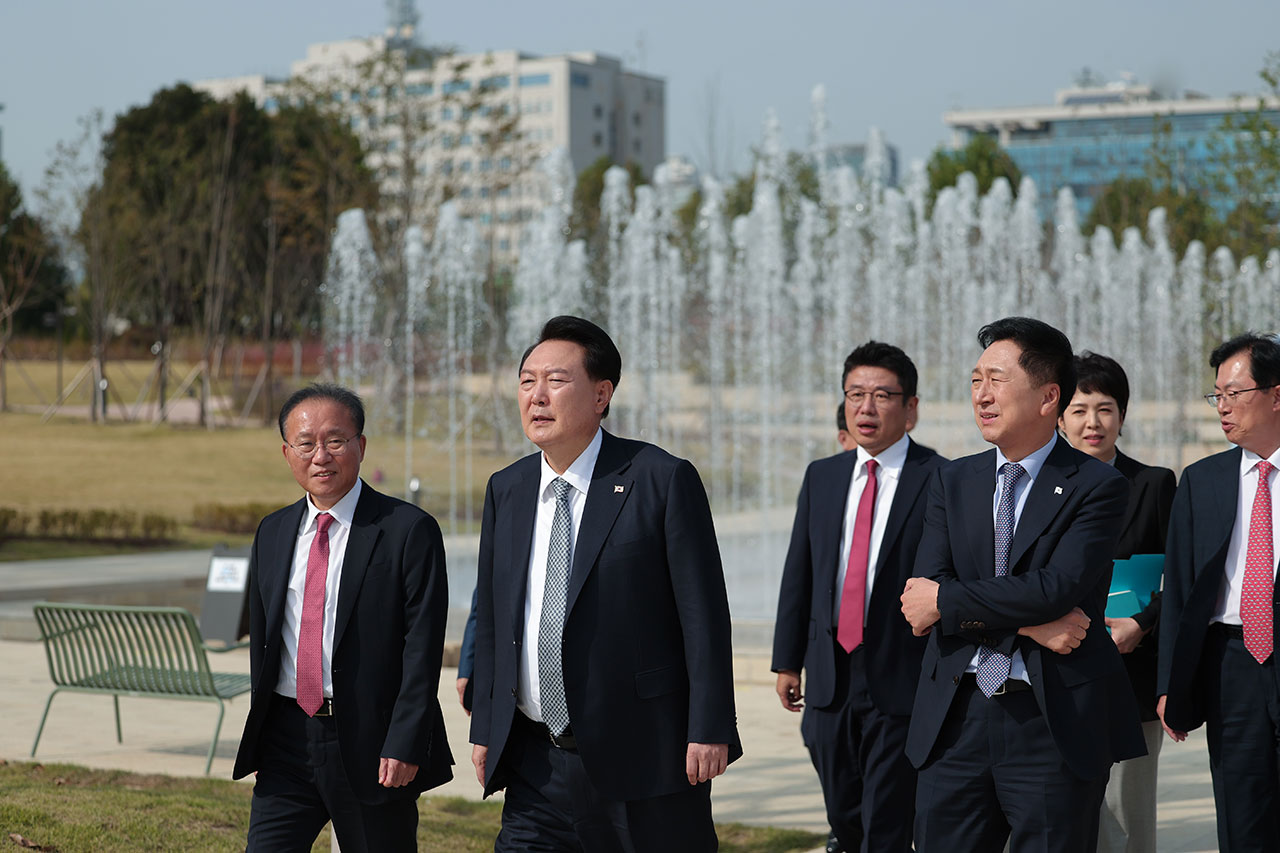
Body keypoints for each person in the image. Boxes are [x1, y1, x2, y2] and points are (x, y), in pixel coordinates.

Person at [469, 315, 740, 852]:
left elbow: (703, 616)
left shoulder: (659, 479)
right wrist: (486, 726)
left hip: (644, 757)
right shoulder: (508, 488)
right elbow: (497, 618)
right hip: (534, 764)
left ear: (601, 394)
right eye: (527, 381)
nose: (537, 396)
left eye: (556, 381)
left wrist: (709, 727)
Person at [900, 317, 1145, 853]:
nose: (981, 395)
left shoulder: (1097, 485)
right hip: (955, 718)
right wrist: (1032, 627)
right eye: (975, 380)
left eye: (997, 379)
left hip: (1050, 723)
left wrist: (952, 603)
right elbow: (922, 594)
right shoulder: (951, 480)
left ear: (1048, 396)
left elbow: (1055, 589)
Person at [233, 383, 453, 852]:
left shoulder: (407, 531)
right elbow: (265, 644)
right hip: (286, 741)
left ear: (361, 446)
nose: (321, 456)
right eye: (305, 444)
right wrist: (262, 734)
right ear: (287, 453)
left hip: (372, 741)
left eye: (335, 441)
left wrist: (406, 740)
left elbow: (422, 648)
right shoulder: (273, 531)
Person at [773, 341, 945, 853]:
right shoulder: (822, 476)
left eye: (882, 395)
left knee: (886, 822)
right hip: (830, 674)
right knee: (843, 815)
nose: (866, 407)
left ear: (911, 408)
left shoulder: (941, 477)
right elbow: (799, 573)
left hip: (901, 674)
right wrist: (787, 661)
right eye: (855, 394)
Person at [1158, 332, 1280, 851]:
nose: (1223, 408)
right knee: (1242, 814)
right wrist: (1170, 682)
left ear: (1276, 395)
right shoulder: (1201, 480)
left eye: (1234, 393)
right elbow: (1180, 590)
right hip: (1231, 665)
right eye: (1217, 396)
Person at [1058, 352, 1175, 853]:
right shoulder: (1039, 486)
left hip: (1131, 674)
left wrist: (1142, 623)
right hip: (1057, 671)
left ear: (1122, 416)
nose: (1093, 422)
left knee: (1129, 811)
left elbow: (1185, 579)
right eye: (1080, 409)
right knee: (1061, 809)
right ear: (1059, 417)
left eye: (1105, 408)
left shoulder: (1153, 484)